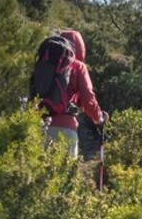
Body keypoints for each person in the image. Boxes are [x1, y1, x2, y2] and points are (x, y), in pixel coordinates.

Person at [43, 29, 108, 157]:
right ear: (80, 47)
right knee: (64, 174)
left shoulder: (45, 64)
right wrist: (99, 118)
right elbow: (88, 99)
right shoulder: (78, 66)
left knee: (41, 174)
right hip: (66, 128)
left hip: (40, 127)